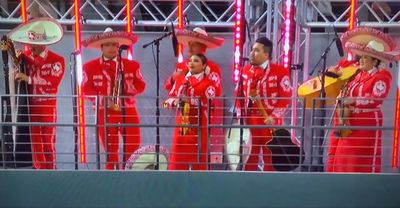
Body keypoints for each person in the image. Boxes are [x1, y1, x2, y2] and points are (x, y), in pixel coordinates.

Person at [326, 27, 399, 173]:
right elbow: (341, 71)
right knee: (342, 157)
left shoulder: (383, 76)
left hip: (366, 123)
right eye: (362, 56)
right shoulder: (359, 74)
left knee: (360, 161)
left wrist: (352, 100)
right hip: (348, 121)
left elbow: (375, 99)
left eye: (366, 57)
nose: (361, 60)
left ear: (375, 61)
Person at [82, 28, 146, 170]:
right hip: (104, 112)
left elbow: (141, 85)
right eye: (108, 44)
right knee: (111, 152)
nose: (112, 48)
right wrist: (104, 100)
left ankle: (130, 177)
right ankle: (112, 181)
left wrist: (128, 88)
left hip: (128, 111)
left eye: (115, 45)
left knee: (133, 148)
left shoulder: (132, 65)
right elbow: (85, 90)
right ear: (101, 47)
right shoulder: (89, 67)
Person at [8, 17, 65, 169]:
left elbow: (52, 82)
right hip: (31, 106)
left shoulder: (57, 60)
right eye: (30, 43)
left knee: (48, 143)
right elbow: (13, 62)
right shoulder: (25, 58)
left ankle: (50, 173)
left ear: (44, 43)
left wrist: (29, 78)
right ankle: (39, 172)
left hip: (48, 106)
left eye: (35, 44)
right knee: (35, 144)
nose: (31, 46)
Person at [164, 27, 225, 164]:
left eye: (194, 44)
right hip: (181, 118)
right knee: (177, 155)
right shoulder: (181, 66)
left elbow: (216, 92)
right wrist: (174, 79)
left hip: (200, 117)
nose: (189, 47)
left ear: (203, 47)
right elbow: (169, 87)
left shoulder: (213, 68)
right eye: (189, 43)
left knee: (199, 155)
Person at [238, 37, 292, 171]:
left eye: (256, 50)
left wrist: (274, 117)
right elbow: (238, 95)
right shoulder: (244, 71)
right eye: (252, 50)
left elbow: (286, 98)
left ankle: (270, 188)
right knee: (249, 157)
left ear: (266, 55)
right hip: (250, 120)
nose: (251, 53)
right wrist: (240, 116)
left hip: (271, 122)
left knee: (271, 157)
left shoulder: (280, 71)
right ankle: (249, 188)